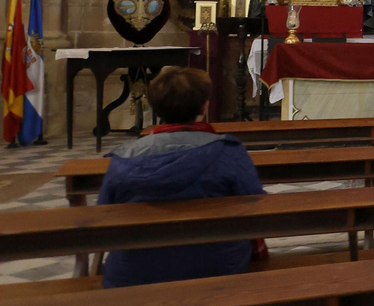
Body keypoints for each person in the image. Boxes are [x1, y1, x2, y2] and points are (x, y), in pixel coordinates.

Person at [100, 67, 264, 289]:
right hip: (218, 266)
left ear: (156, 107)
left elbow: (104, 214)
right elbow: (255, 206)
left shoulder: (123, 158)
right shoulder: (228, 151)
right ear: (204, 106)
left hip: (135, 271)